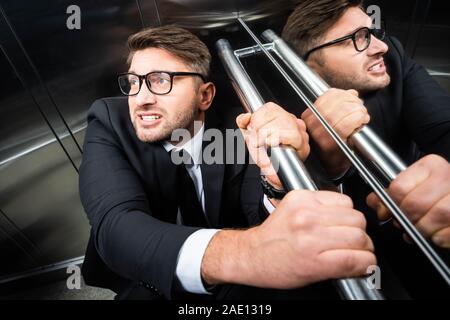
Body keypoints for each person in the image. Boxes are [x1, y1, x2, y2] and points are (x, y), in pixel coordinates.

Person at [79, 25, 375, 300]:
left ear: (205, 96)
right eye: (133, 82)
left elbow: (257, 214)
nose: (140, 99)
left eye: (160, 81)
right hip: (145, 277)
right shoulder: (109, 120)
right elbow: (116, 226)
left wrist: (275, 184)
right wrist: (250, 253)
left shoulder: (238, 128)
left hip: (231, 280)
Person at [281, 0, 450, 297]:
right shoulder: (287, 113)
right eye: (357, 39)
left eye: (373, 32)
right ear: (310, 65)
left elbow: (444, 128)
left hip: (424, 220)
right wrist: (331, 168)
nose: (378, 46)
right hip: (355, 247)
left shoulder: (392, 57)